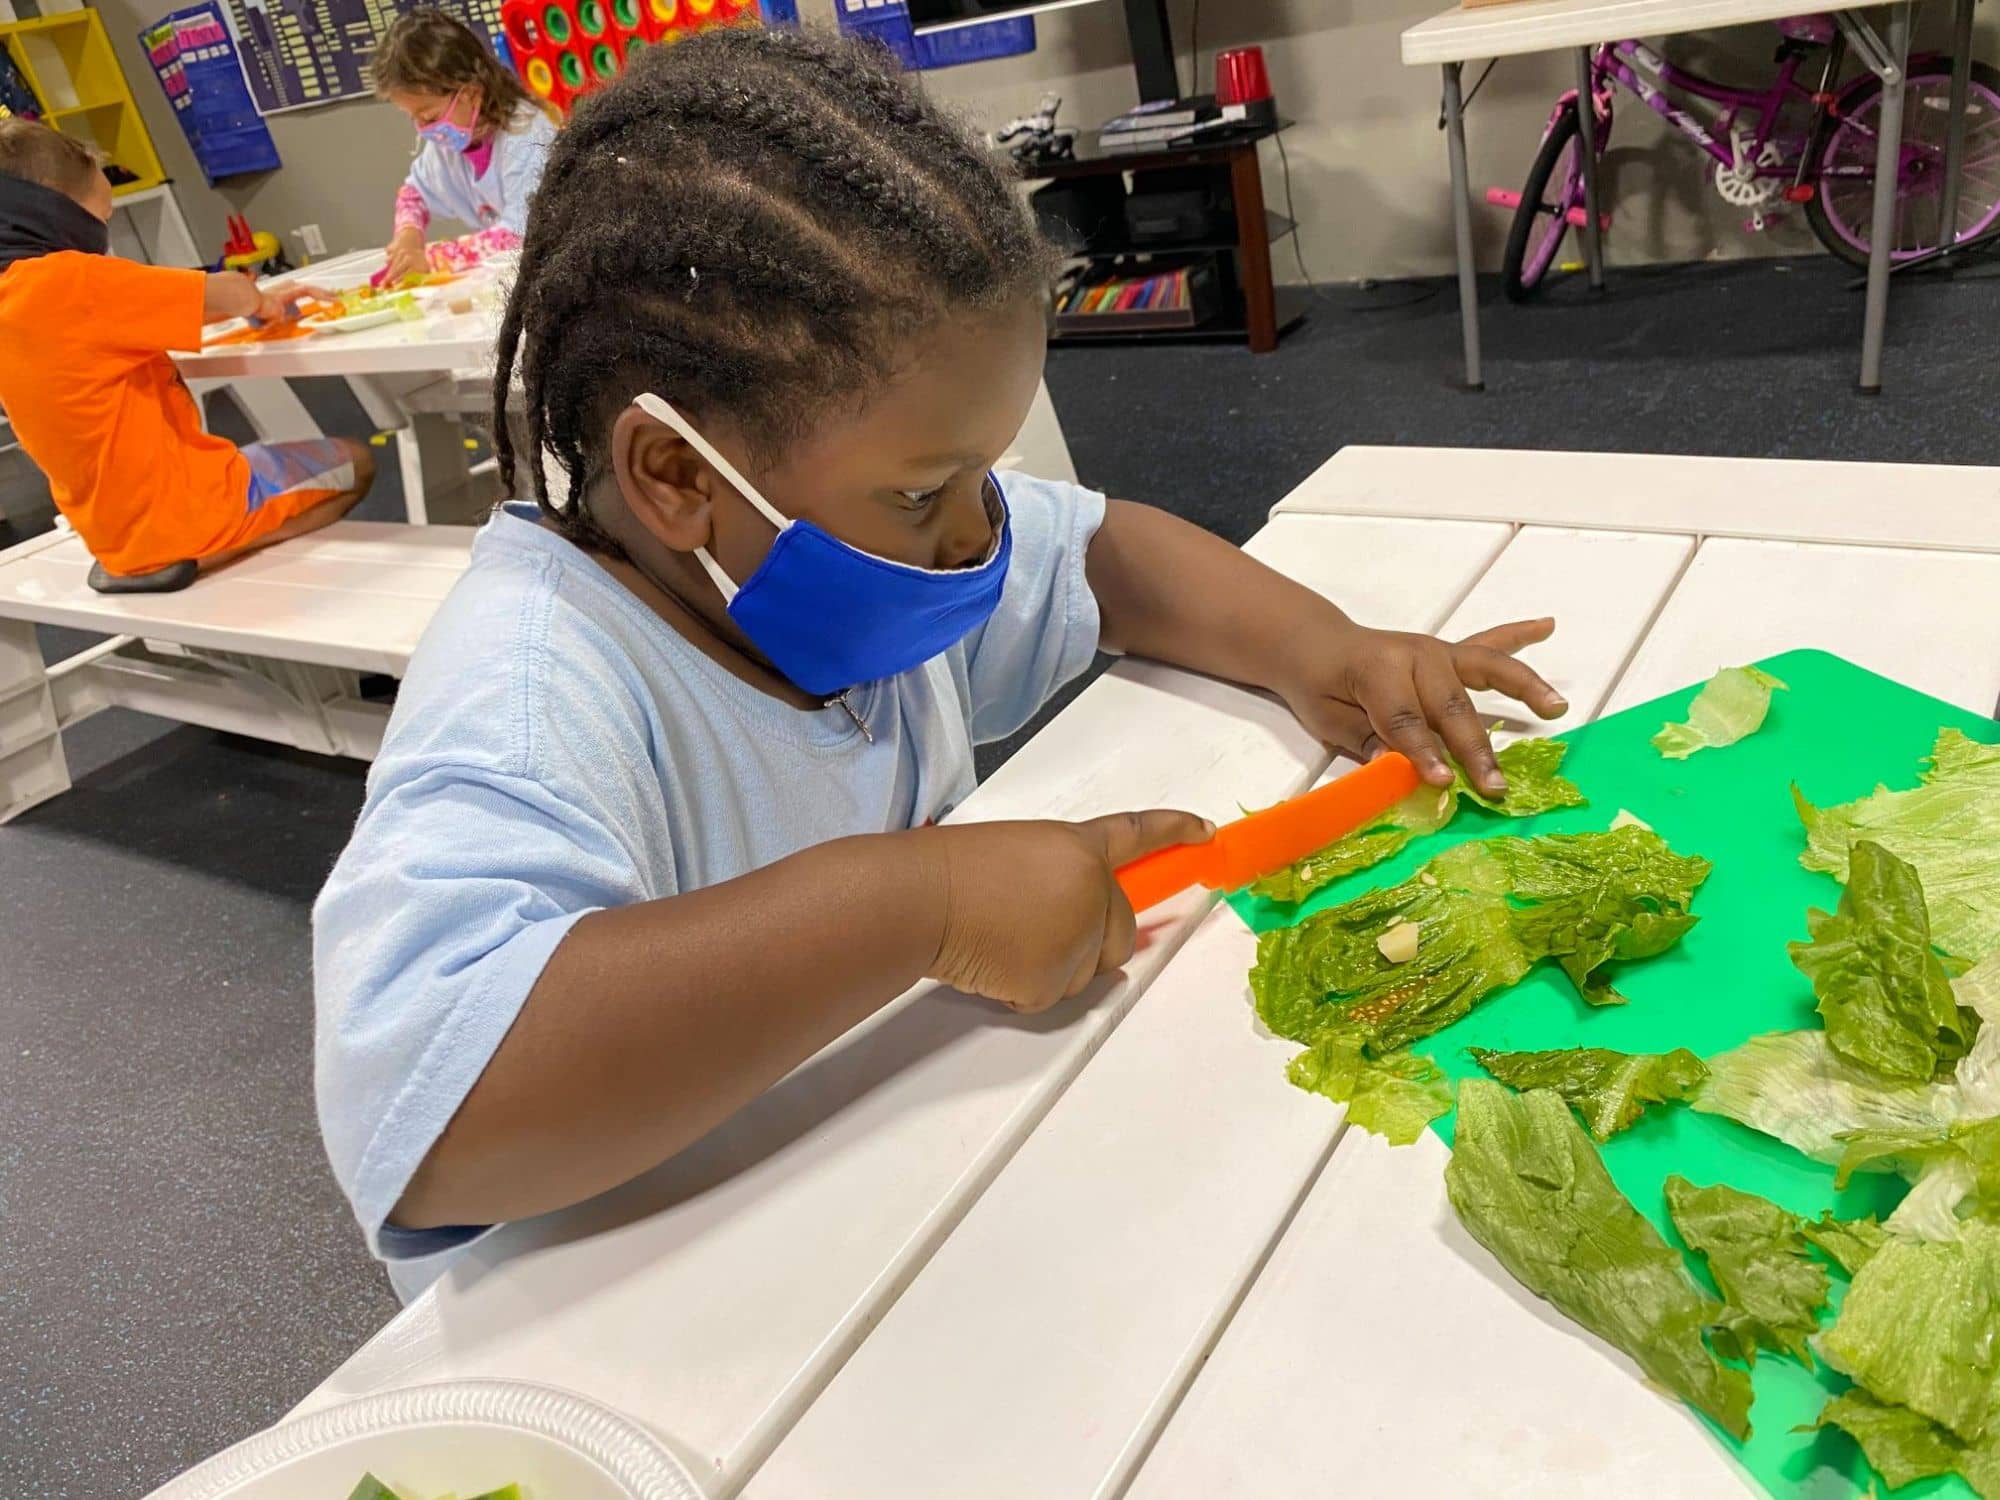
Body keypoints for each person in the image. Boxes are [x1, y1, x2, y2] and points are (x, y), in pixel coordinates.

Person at [314, 27, 1566, 1297]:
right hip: (651, 1313)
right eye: (925, 492)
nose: (976, 529)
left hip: (887, 1204)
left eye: (981, 472)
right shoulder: (533, 689)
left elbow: (1099, 557)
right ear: (680, 475)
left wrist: (1321, 649)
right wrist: (927, 905)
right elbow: (427, 1113)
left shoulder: (859, 567)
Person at [0, 119, 373, 592]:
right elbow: (231, 294)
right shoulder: (67, 279)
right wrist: (259, 300)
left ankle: (210, 551)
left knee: (262, 459)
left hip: (109, 531)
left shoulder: (13, 294)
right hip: (180, 516)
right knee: (357, 460)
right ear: (58, 207)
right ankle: (225, 552)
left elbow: (147, 314)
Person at [373, 7, 555, 284]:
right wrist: (408, 235)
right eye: (414, 118)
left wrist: (433, 259)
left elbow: (521, 235)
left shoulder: (528, 135)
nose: (423, 129)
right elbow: (413, 194)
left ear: (470, 93)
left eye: (428, 116)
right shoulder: (449, 144)